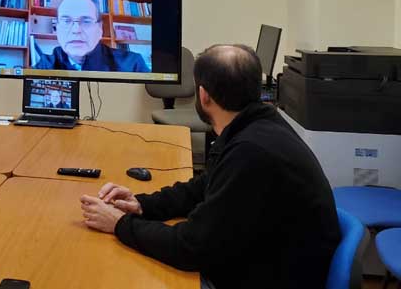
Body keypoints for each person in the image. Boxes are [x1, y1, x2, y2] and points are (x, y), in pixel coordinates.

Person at [79, 45, 340, 289]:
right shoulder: (257, 125)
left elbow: (190, 248)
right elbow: (205, 185)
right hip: (265, 259)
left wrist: (120, 224)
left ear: (203, 95)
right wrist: (142, 205)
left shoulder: (251, 152)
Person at [33, 0, 148, 72]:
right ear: (57, 29)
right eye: (66, 21)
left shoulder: (133, 65)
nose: (76, 30)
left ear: (100, 29)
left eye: (86, 21)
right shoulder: (45, 65)